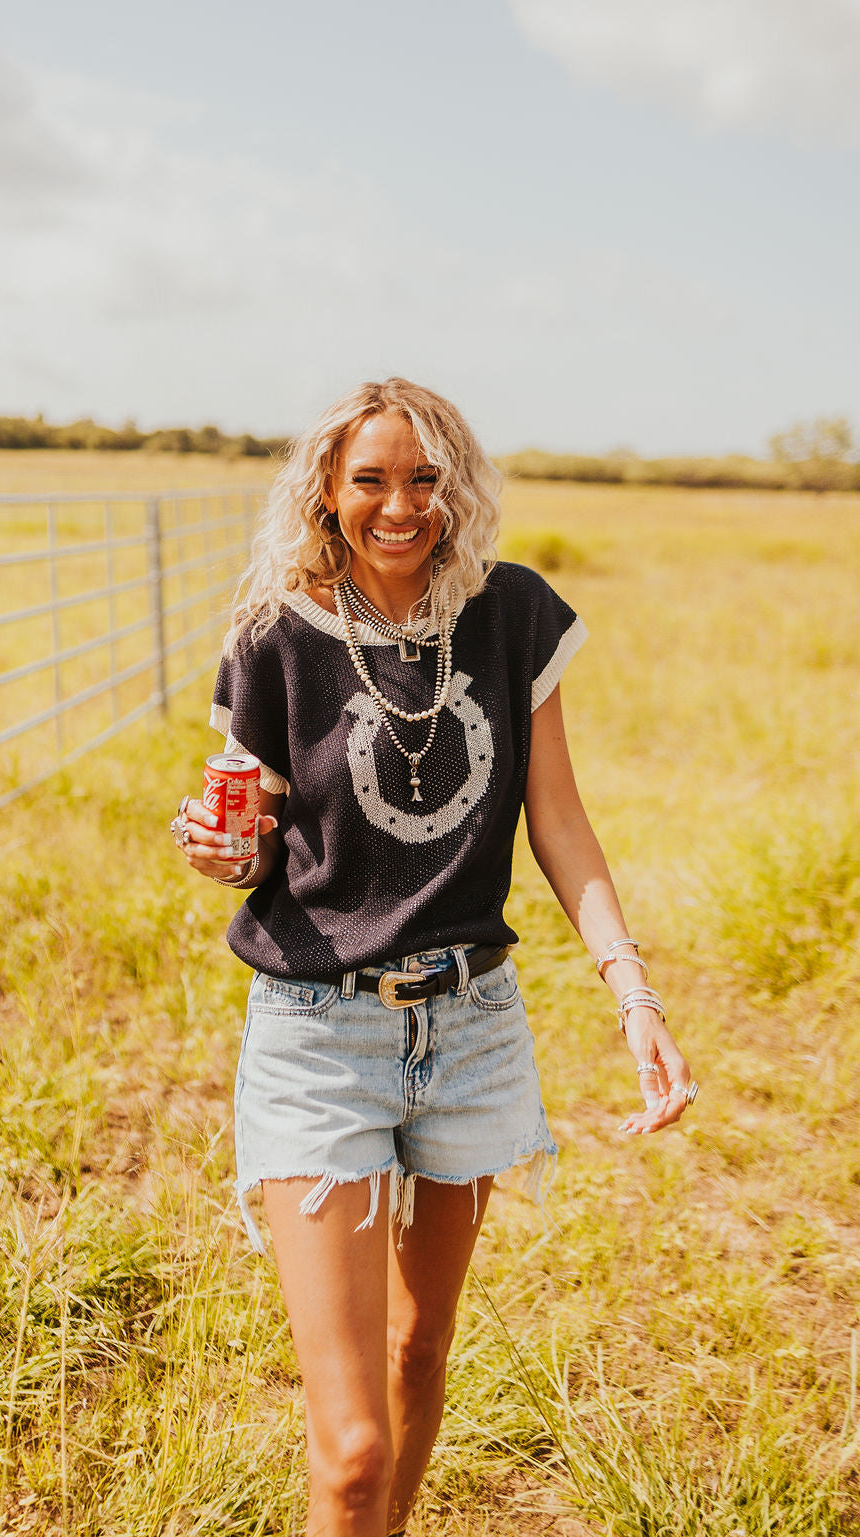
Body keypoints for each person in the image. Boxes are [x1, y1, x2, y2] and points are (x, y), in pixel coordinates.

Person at [173, 378, 696, 1537]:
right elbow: (238, 829)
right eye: (370, 479)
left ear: (456, 486)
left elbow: (556, 819)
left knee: (422, 1348)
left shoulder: (510, 615)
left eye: (424, 477)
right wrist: (214, 847)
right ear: (327, 488)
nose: (400, 504)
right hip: (321, 1030)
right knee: (353, 1450)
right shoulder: (275, 636)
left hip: (469, 1029)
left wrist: (633, 991)